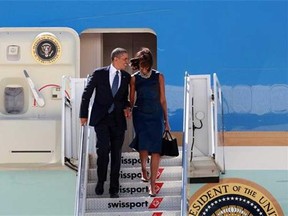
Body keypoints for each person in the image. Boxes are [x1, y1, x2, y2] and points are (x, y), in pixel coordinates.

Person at [79, 47, 131, 198]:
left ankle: (114, 188)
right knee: (102, 151)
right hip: (101, 119)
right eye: (125, 59)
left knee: (116, 154)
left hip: (118, 121)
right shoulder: (99, 73)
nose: (127, 62)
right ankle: (101, 181)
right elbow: (86, 94)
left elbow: (124, 99)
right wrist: (83, 115)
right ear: (116, 59)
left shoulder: (126, 77)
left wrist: (127, 106)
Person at [129, 47, 170, 197]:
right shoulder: (134, 78)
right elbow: (131, 99)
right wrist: (128, 110)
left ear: (150, 64)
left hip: (156, 114)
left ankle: (152, 185)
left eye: (146, 66)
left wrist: (166, 121)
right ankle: (143, 169)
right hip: (140, 114)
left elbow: (163, 99)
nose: (144, 69)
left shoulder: (159, 76)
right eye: (141, 66)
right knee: (143, 145)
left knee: (156, 149)